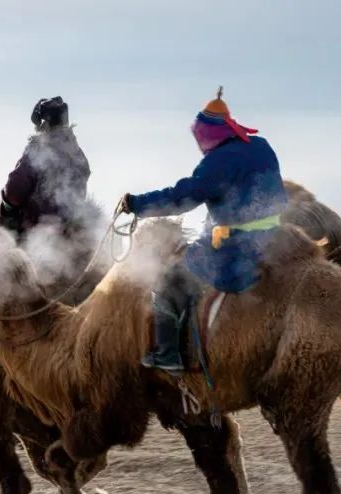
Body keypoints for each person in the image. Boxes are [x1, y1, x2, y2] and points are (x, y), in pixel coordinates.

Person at [120, 88, 287, 372]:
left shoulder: (217, 162)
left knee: (169, 280)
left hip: (240, 246)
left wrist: (137, 203)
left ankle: (167, 355)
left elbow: (181, 197)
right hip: (277, 239)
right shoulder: (261, 145)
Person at [0, 96, 93, 236]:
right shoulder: (77, 153)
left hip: (39, 232)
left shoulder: (39, 150)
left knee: (5, 227)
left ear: (43, 123)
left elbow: (15, 190)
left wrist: (6, 207)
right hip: (72, 228)